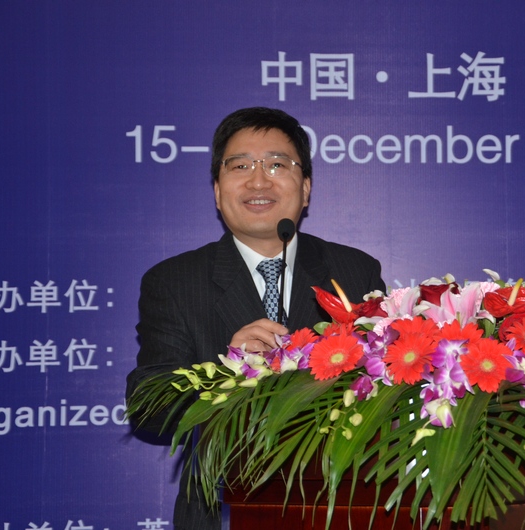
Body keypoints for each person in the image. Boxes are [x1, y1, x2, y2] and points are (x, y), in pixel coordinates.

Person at [126, 107, 386, 530]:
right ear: (217, 190)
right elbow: (147, 406)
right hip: (223, 512)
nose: (259, 181)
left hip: (339, 509)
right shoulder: (174, 282)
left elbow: (387, 388)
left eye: (277, 165)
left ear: (306, 189)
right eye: (241, 166)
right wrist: (227, 372)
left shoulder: (354, 272)